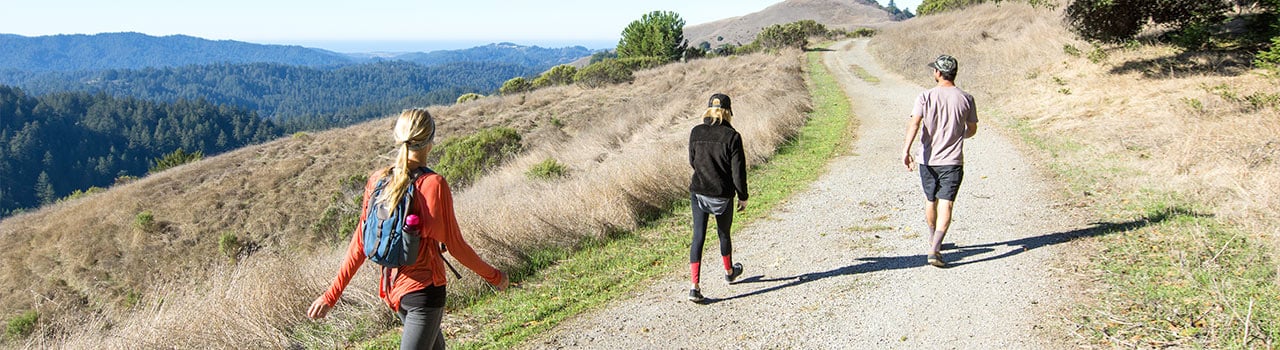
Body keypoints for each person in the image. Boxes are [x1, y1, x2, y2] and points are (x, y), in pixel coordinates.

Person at [307, 108, 509, 350]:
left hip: (394, 290)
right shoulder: (433, 184)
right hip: (424, 294)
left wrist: (331, 295)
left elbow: (359, 243)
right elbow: (456, 246)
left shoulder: (378, 181)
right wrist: (495, 276)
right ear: (431, 141)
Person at [901, 55, 978, 268]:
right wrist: (958, 134)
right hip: (952, 160)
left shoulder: (925, 97)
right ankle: (935, 248)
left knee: (930, 200)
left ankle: (932, 237)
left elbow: (914, 124)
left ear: (937, 73)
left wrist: (906, 150)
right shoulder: (967, 98)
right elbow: (972, 129)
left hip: (927, 159)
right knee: (947, 202)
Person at [686, 93, 748, 302]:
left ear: (708, 110)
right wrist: (743, 196)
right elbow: (738, 172)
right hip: (722, 195)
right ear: (728, 111)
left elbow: (692, 161)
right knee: (723, 235)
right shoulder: (732, 136)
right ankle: (729, 273)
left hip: (699, 191)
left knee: (698, 237)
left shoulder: (696, 131)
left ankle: (694, 286)